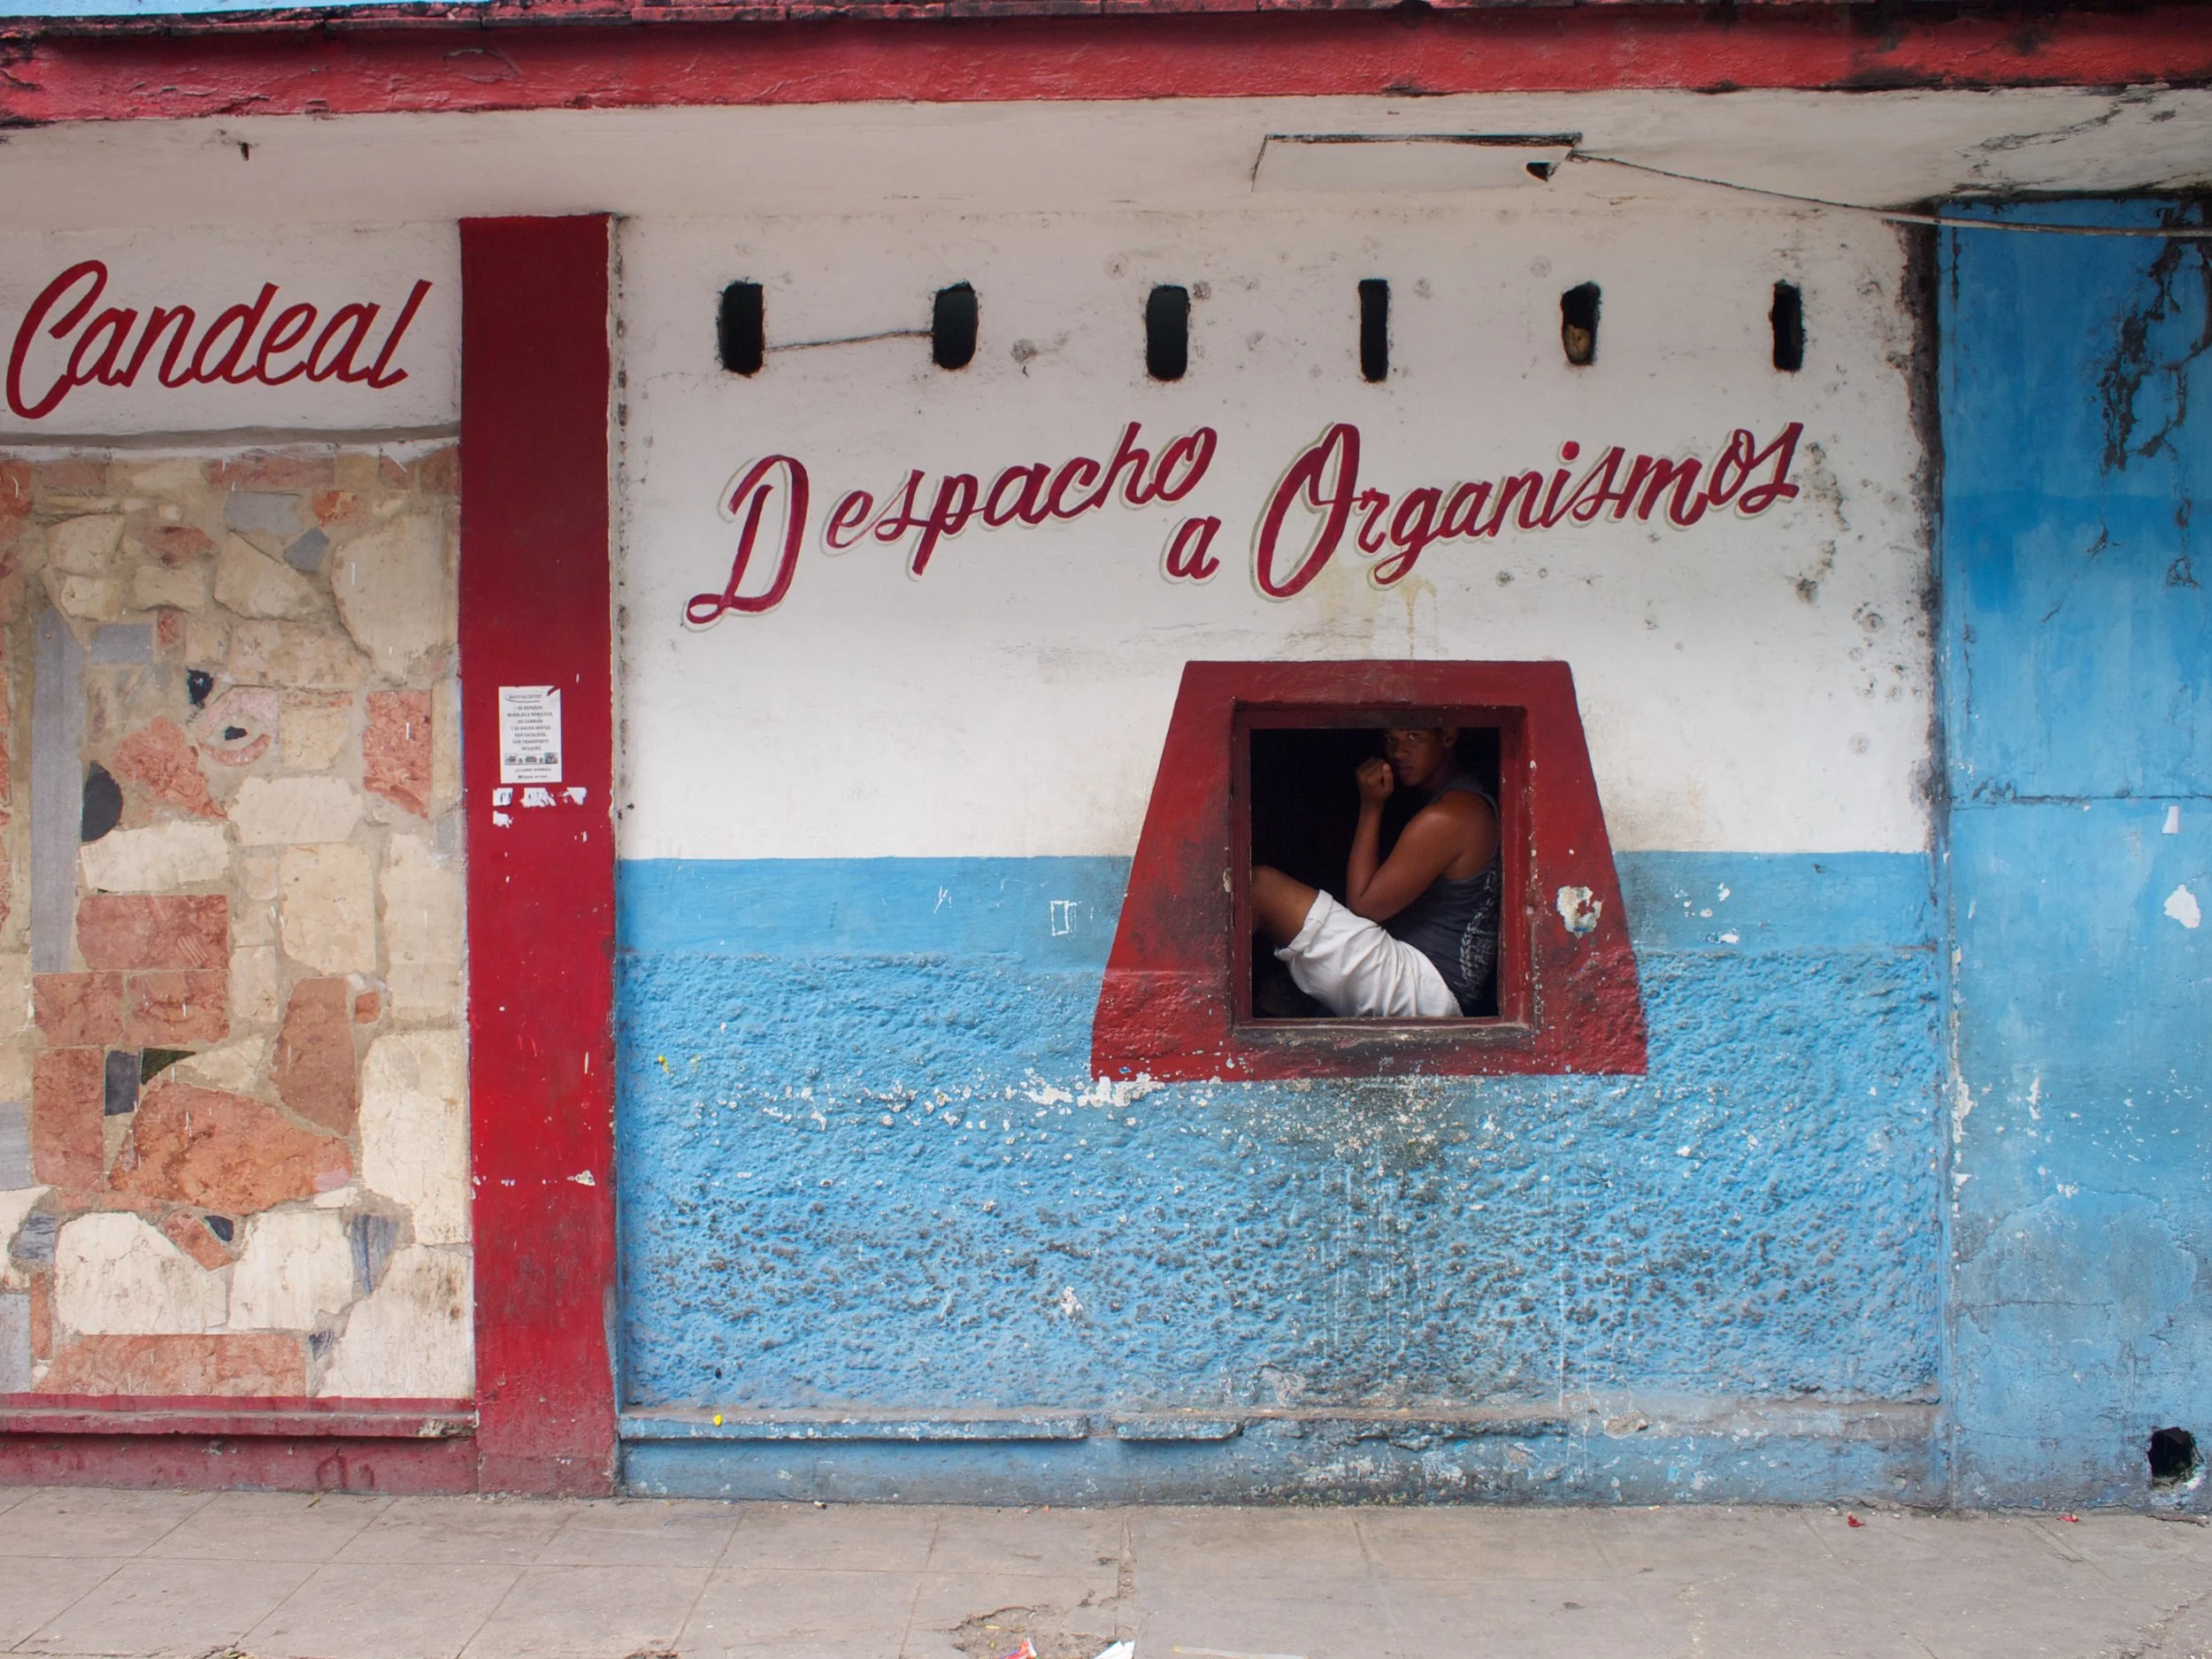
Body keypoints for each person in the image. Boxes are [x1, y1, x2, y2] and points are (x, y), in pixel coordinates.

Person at [1252, 726, 1500, 1018]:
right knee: (1279, 995)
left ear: (1447, 736)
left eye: (1414, 736)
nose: (1397, 752)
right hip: (1435, 988)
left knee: (1259, 887)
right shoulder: (1468, 799)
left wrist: (1371, 805)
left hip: (1426, 992)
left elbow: (1365, 906)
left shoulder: (1450, 816)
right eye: (1390, 738)